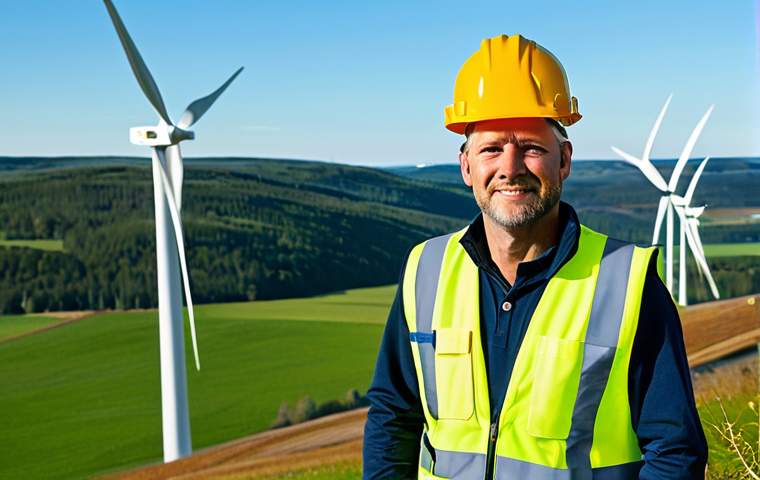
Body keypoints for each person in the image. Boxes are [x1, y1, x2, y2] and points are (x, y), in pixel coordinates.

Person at [362, 34, 707, 480]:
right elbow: (393, 417)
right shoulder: (425, 270)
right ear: (466, 166)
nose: (511, 167)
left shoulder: (627, 283)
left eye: (530, 147)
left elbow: (674, 451)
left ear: (564, 159)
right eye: (490, 149)